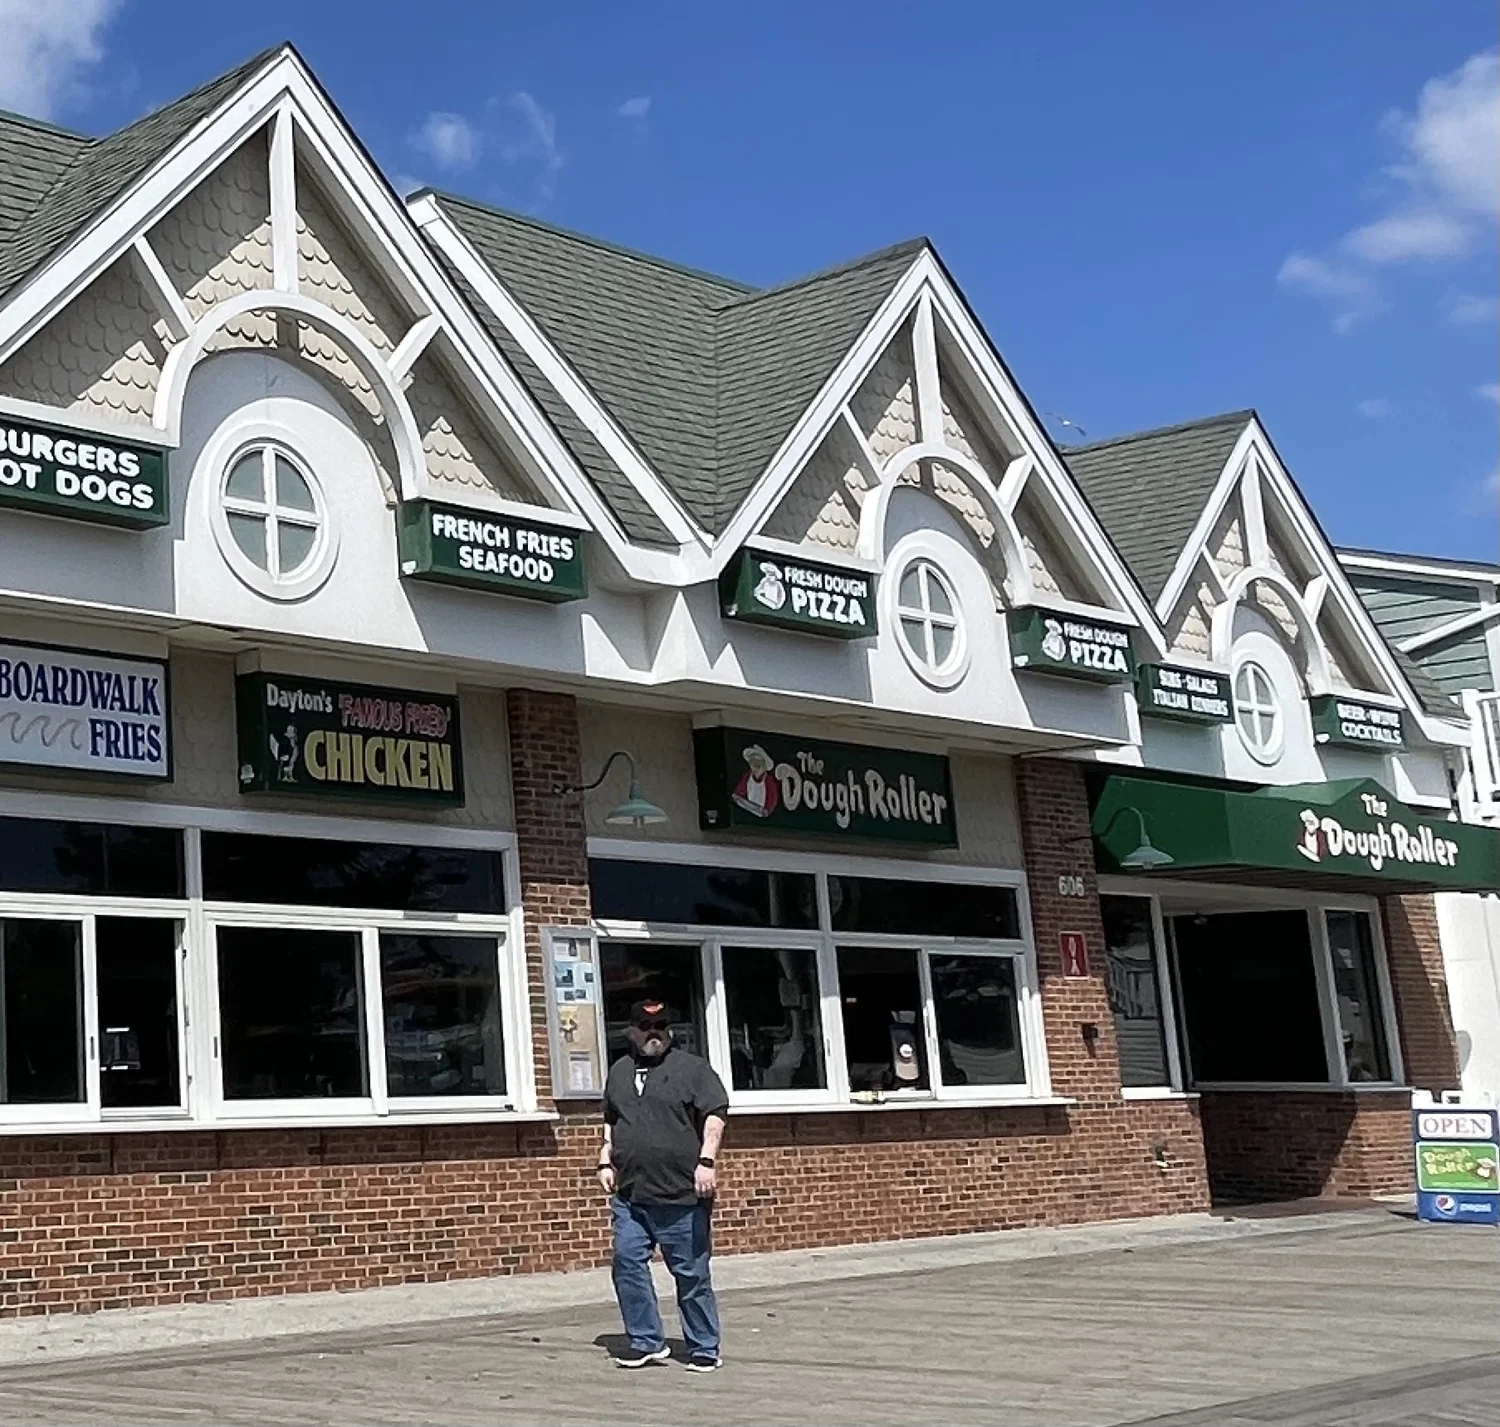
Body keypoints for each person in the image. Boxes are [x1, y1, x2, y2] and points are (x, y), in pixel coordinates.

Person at [598, 997, 729, 1372]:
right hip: (632, 1194)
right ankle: (645, 1341)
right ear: (632, 1032)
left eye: (661, 1028)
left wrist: (707, 1162)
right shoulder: (620, 1072)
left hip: (682, 1194)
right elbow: (611, 1120)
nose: (653, 1035)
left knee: (691, 1273)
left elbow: (715, 1117)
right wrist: (604, 1159)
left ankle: (704, 1346)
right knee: (626, 1262)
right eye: (645, 1028)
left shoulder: (693, 1069)